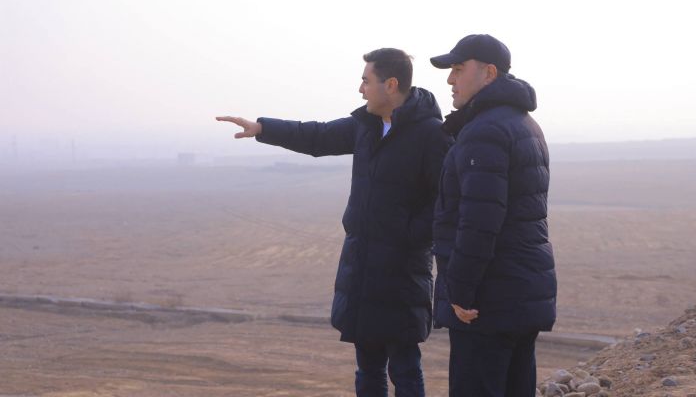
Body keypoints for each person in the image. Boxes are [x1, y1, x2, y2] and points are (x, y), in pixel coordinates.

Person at [217, 48, 452, 397]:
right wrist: (263, 128)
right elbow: (317, 136)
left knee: (404, 367)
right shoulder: (366, 126)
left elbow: (445, 201)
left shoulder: (432, 134)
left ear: (390, 85)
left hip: (402, 271)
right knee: (367, 368)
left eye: (366, 81)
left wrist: (409, 235)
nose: (360, 89)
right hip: (362, 267)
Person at [429, 34, 557, 397]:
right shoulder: (522, 123)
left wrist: (460, 291)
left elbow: (480, 221)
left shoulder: (484, 131)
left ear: (489, 73)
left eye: (458, 69)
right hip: (519, 292)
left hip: (487, 302)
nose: (450, 80)